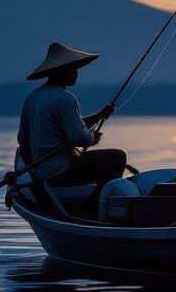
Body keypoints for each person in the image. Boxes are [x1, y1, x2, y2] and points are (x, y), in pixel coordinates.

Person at [17, 41, 126, 213]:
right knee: (118, 158)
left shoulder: (33, 97)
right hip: (59, 171)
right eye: (74, 69)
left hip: (40, 171)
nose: (76, 73)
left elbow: (22, 139)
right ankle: (94, 210)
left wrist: (99, 116)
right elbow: (80, 138)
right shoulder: (66, 99)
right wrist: (92, 138)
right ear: (62, 71)